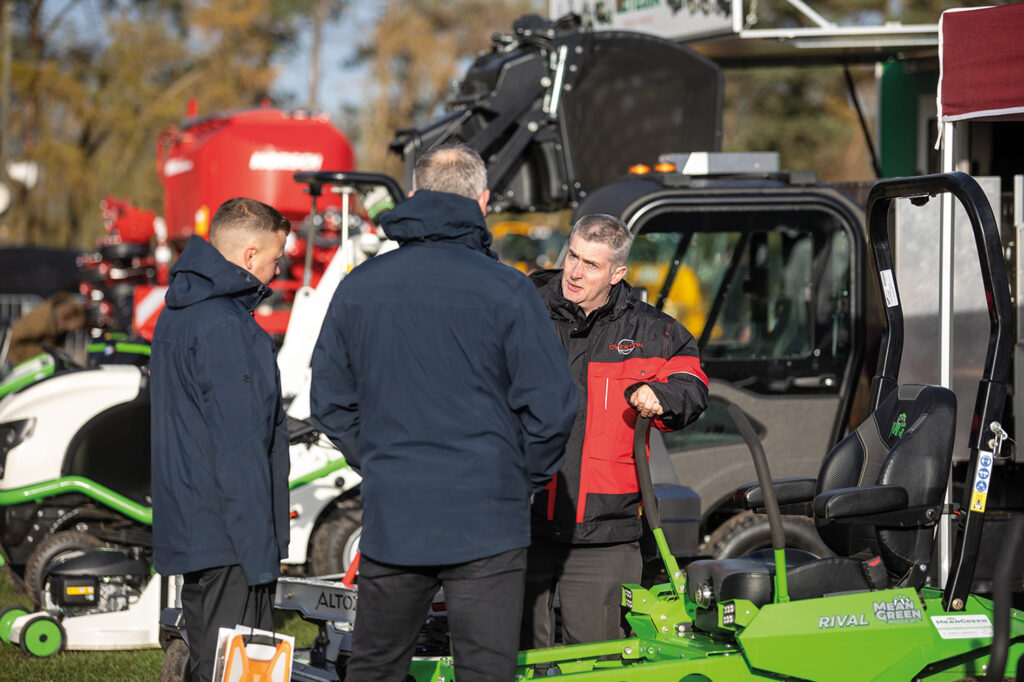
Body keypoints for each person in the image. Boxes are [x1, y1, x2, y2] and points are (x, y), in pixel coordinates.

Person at [310, 144, 577, 682]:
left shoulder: (359, 287)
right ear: (481, 203)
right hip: (488, 518)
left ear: (412, 195)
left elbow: (330, 403)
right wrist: (516, 475)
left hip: (397, 510)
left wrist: (381, 460)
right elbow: (553, 405)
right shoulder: (507, 289)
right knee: (484, 670)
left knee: (376, 667)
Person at [521, 214, 709, 649]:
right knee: (514, 662)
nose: (574, 271)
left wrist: (665, 395)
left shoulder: (654, 332)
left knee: (598, 663)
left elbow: (694, 384)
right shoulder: (522, 308)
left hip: (606, 536)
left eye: (591, 264)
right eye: (572, 256)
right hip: (520, 524)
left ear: (618, 273)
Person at [150, 197, 291, 682]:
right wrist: (260, 557)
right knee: (238, 668)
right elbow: (242, 446)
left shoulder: (180, 313)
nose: (278, 270)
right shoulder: (228, 327)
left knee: (210, 657)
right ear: (249, 256)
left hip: (197, 526)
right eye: (276, 258)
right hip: (230, 534)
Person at [6, 290, 87, 367]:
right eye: (73, 329)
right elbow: (15, 337)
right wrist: (46, 352)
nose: (73, 332)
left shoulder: (54, 317)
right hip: (21, 358)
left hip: (33, 359)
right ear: (67, 318)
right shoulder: (41, 319)